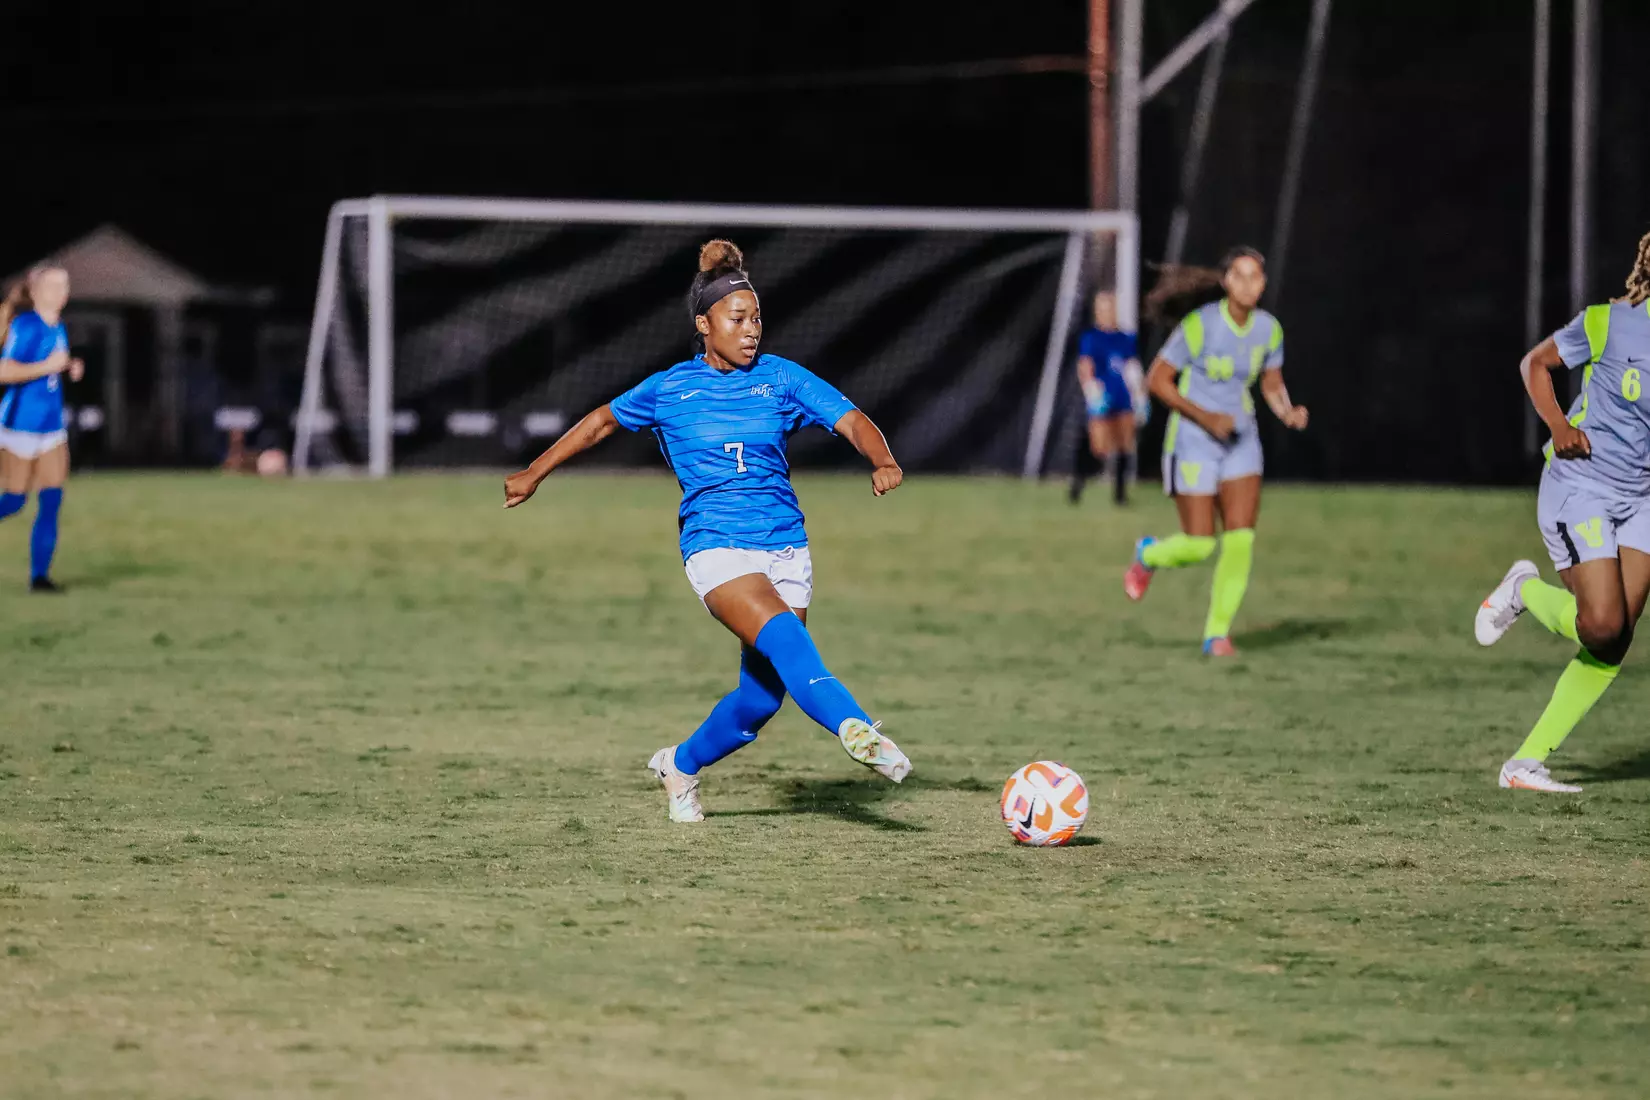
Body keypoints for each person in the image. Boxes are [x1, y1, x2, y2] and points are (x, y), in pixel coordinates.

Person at [503, 240, 912, 822]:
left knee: (760, 698)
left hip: (785, 545)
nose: (752, 331)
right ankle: (855, 726)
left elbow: (851, 419)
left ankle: (681, 765)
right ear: (704, 324)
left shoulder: (782, 378)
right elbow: (598, 424)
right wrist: (535, 472)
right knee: (787, 643)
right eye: (737, 319)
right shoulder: (670, 389)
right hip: (715, 545)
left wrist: (883, 459)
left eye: (757, 319)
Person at [1474, 231, 1650, 794]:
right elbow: (1536, 365)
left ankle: (1524, 764)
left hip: (1644, 497)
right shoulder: (1609, 321)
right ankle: (1523, 590)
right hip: (1585, 483)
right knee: (1600, 623)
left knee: (1614, 638)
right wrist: (1559, 427)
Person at [1121, 247, 1309, 655]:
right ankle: (1149, 553)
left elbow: (1271, 383)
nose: (1247, 284)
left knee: (1240, 540)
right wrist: (1206, 418)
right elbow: (1158, 380)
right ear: (1225, 282)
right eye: (1238, 276)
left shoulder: (1268, 330)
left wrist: (1287, 411)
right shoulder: (1199, 326)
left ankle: (1216, 634)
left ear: (1263, 283)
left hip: (1240, 442)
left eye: (1255, 277)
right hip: (1193, 442)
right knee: (1200, 544)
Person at [0, 267, 82, 592]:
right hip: (19, 426)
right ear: (35, 291)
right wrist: (49, 366)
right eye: (54, 285)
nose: (62, 291)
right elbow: (4, 371)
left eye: (65, 284)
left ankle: (40, 577)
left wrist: (68, 367)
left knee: (52, 499)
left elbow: (50, 369)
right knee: (15, 501)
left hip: (52, 427)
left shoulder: (57, 325)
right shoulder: (26, 326)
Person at [1068, 291, 1145, 506]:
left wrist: (1139, 397)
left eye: (1109, 308)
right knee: (1098, 447)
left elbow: (1132, 368)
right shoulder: (1091, 338)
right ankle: (1077, 485)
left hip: (1123, 398)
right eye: (1101, 309)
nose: (1106, 313)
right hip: (1103, 398)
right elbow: (1085, 368)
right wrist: (1093, 393)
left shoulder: (1126, 338)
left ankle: (1120, 495)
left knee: (1125, 445)